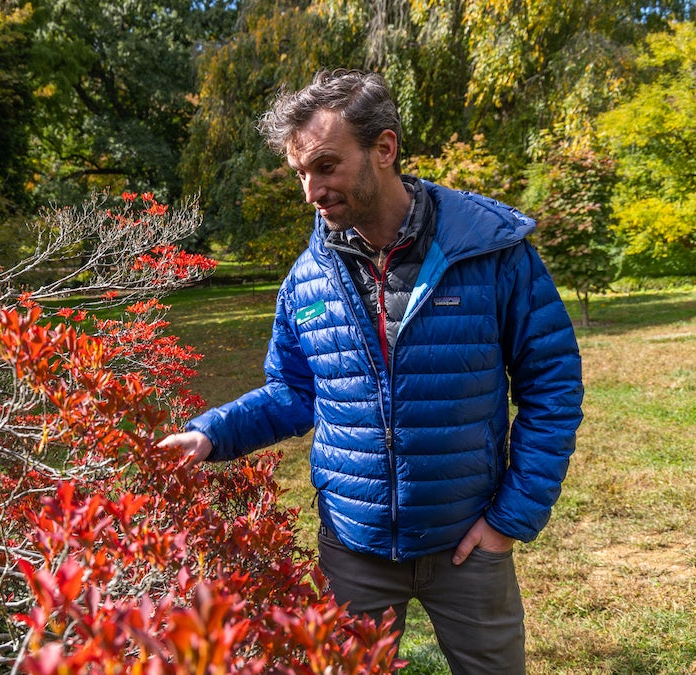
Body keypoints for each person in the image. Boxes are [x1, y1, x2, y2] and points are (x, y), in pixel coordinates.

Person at [158, 69, 584, 674]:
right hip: (351, 548)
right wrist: (214, 432)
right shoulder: (307, 279)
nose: (311, 190)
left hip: (469, 542)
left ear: (384, 149)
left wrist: (509, 519)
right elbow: (294, 392)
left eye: (326, 165)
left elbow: (553, 386)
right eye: (300, 171)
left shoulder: (492, 252)